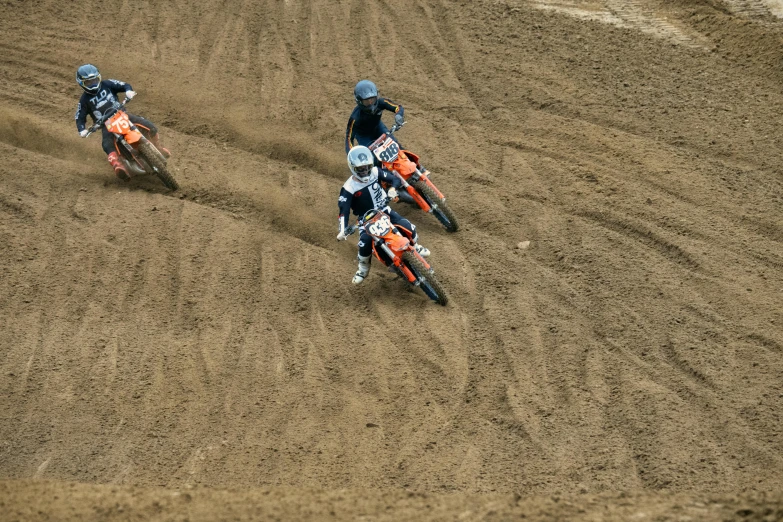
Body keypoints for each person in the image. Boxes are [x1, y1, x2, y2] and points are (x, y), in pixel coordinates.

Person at [337, 146, 430, 284]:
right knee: (364, 244)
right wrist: (343, 230)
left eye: (367, 167)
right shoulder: (348, 188)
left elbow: (394, 179)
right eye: (361, 169)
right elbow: (343, 211)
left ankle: (415, 246)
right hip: (365, 221)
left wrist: (392, 189)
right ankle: (363, 268)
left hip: (383, 210)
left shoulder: (375, 172)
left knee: (408, 226)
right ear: (353, 168)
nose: (366, 171)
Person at [74, 64, 170, 180]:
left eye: (94, 80)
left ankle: (158, 147)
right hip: (106, 124)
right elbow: (79, 116)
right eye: (88, 83)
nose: (93, 84)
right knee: (107, 144)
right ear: (81, 83)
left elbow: (123, 85)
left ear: (99, 77)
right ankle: (117, 165)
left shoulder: (107, 84)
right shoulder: (84, 100)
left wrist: (128, 91)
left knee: (149, 126)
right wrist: (82, 129)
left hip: (121, 114)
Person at [345, 79, 405, 154]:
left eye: (372, 99)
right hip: (364, 136)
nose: (371, 103)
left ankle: (416, 165)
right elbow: (349, 138)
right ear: (359, 101)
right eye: (367, 101)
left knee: (396, 146)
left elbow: (398, 107)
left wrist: (398, 116)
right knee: (373, 158)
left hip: (378, 128)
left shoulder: (381, 102)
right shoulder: (355, 117)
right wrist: (351, 152)